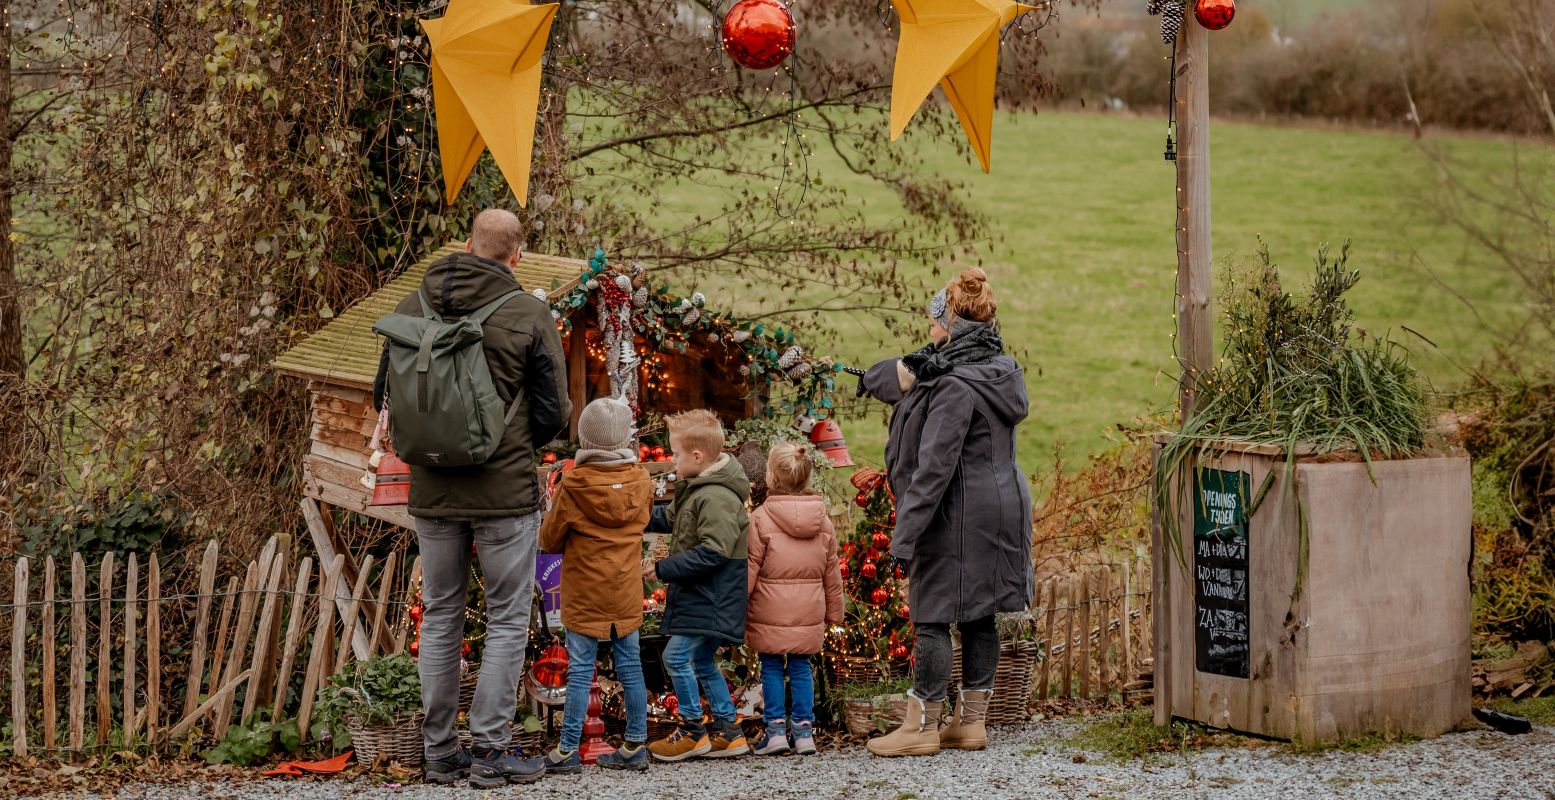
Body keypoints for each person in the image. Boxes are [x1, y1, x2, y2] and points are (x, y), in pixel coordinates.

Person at [372, 209, 571, 787]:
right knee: (507, 619)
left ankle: (439, 753)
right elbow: (553, 414)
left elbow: (386, 394)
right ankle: (489, 751)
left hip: (431, 490)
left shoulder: (411, 307)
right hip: (504, 490)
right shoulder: (530, 314)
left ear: (466, 246)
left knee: (439, 616)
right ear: (517, 256)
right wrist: (510, 449)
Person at [858, 267, 1034, 758]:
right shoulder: (1000, 368)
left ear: (951, 324)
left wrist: (905, 536)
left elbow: (932, 470)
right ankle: (971, 723)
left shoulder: (954, 386)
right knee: (980, 614)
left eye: (935, 322)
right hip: (1003, 506)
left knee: (933, 614)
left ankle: (922, 726)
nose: (930, 330)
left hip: (958, 512)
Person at [538, 397, 654, 774]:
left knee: (580, 670)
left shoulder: (573, 484)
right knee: (631, 667)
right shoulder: (641, 479)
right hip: (624, 590)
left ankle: (568, 749)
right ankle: (636, 744)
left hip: (585, 593)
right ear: (624, 437)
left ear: (585, 437)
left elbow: (550, 541)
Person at [644, 410, 752, 761]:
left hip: (713, 596)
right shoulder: (697, 490)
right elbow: (672, 520)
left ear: (696, 457)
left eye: (674, 454)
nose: (671, 460)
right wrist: (635, 515)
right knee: (703, 661)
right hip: (703, 596)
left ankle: (692, 730)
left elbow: (714, 553)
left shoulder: (717, 497)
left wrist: (664, 568)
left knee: (675, 657)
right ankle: (729, 732)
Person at [745, 443, 843, 756]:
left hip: (768, 610)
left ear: (770, 476)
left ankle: (774, 731)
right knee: (802, 668)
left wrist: (734, 608)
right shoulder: (823, 521)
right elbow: (832, 574)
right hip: (808, 612)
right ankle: (803, 733)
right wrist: (835, 613)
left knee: (771, 666)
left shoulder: (760, 519)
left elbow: (750, 568)